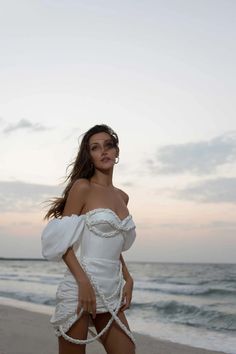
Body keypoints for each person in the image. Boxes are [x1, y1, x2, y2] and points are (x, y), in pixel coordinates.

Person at [41, 124, 136, 354]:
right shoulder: (82, 187)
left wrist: (128, 277)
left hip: (112, 289)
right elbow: (63, 240)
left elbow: (110, 241)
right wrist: (82, 282)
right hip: (79, 287)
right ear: (89, 155)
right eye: (95, 148)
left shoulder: (123, 196)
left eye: (108, 146)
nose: (103, 151)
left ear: (116, 152)